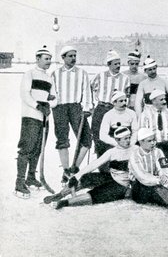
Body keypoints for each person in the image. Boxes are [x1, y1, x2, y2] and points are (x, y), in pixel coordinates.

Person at [53, 126, 134, 209]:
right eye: (125, 139)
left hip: (122, 184)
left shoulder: (135, 149)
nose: (128, 141)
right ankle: (61, 194)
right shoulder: (112, 152)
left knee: (97, 194)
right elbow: (95, 164)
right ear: (117, 140)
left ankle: (66, 202)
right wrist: (77, 176)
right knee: (85, 178)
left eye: (129, 138)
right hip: (111, 178)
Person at [14, 45, 57, 198]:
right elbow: (25, 95)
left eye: (50, 59)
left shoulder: (49, 77)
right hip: (30, 117)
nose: (49, 61)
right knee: (27, 148)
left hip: (44, 119)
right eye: (46, 59)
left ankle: (31, 177)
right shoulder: (29, 74)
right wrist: (38, 105)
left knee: (38, 149)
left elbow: (55, 98)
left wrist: (48, 104)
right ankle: (19, 183)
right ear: (37, 59)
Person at [51, 46, 93, 185]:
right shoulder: (55, 74)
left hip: (76, 107)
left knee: (86, 139)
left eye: (74, 55)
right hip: (60, 108)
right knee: (62, 139)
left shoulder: (82, 73)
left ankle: (74, 169)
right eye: (70, 56)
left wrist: (87, 107)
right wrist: (52, 103)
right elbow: (51, 94)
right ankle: (65, 171)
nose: (73, 58)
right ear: (63, 57)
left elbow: (87, 91)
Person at [91, 50, 130, 162]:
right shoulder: (100, 76)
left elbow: (126, 95)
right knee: (98, 137)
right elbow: (89, 89)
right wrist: (91, 104)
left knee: (114, 137)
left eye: (119, 63)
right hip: (101, 108)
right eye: (115, 64)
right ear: (109, 64)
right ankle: (101, 165)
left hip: (116, 110)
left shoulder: (125, 78)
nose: (118, 66)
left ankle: (113, 165)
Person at [129, 128, 168, 211]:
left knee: (165, 188)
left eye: (154, 140)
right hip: (140, 186)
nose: (153, 143)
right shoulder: (134, 155)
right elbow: (142, 176)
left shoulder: (158, 151)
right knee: (158, 190)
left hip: (156, 181)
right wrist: (160, 181)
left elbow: (164, 167)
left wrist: (164, 176)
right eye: (149, 141)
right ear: (141, 142)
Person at [98, 91, 138, 172]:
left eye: (125, 100)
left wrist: (131, 143)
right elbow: (102, 135)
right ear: (114, 102)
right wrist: (117, 144)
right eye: (121, 101)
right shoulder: (108, 115)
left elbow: (135, 131)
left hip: (128, 140)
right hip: (114, 141)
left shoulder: (132, 113)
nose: (124, 103)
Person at [139, 89, 168, 158]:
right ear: (154, 101)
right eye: (161, 99)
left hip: (167, 144)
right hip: (152, 145)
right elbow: (143, 132)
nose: (164, 101)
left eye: (164, 99)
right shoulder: (145, 114)